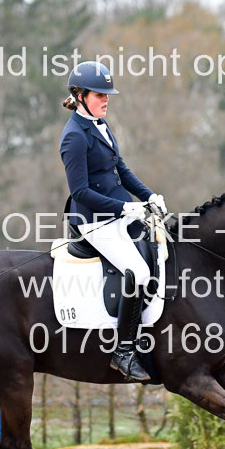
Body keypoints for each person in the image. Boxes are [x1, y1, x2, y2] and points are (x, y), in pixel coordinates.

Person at [59, 61, 166, 382]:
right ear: (79, 95)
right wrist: (124, 209)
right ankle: (123, 352)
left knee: (161, 249)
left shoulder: (100, 125)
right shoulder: (74, 137)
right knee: (139, 271)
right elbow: (80, 191)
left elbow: (122, 170)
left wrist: (148, 196)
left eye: (108, 95)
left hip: (119, 212)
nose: (106, 100)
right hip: (94, 221)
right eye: (99, 95)